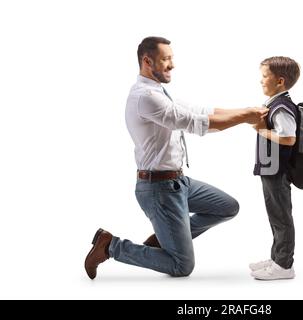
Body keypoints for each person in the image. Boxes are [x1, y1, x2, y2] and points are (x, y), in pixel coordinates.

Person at [84, 36, 268, 279]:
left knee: (227, 207)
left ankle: (166, 237)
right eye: (166, 59)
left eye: (172, 58)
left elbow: (201, 112)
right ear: (147, 61)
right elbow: (194, 123)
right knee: (182, 266)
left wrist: (248, 110)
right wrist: (246, 117)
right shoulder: (145, 97)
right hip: (158, 189)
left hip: (179, 183)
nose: (172, 64)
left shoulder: (158, 91)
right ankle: (110, 246)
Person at [250, 56, 300, 280]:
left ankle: (284, 266)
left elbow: (288, 138)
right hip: (271, 169)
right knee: (275, 216)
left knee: (281, 218)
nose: (261, 81)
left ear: (280, 81)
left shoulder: (281, 107)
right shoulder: (274, 104)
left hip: (277, 170)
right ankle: (277, 258)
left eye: (264, 76)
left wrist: (262, 131)